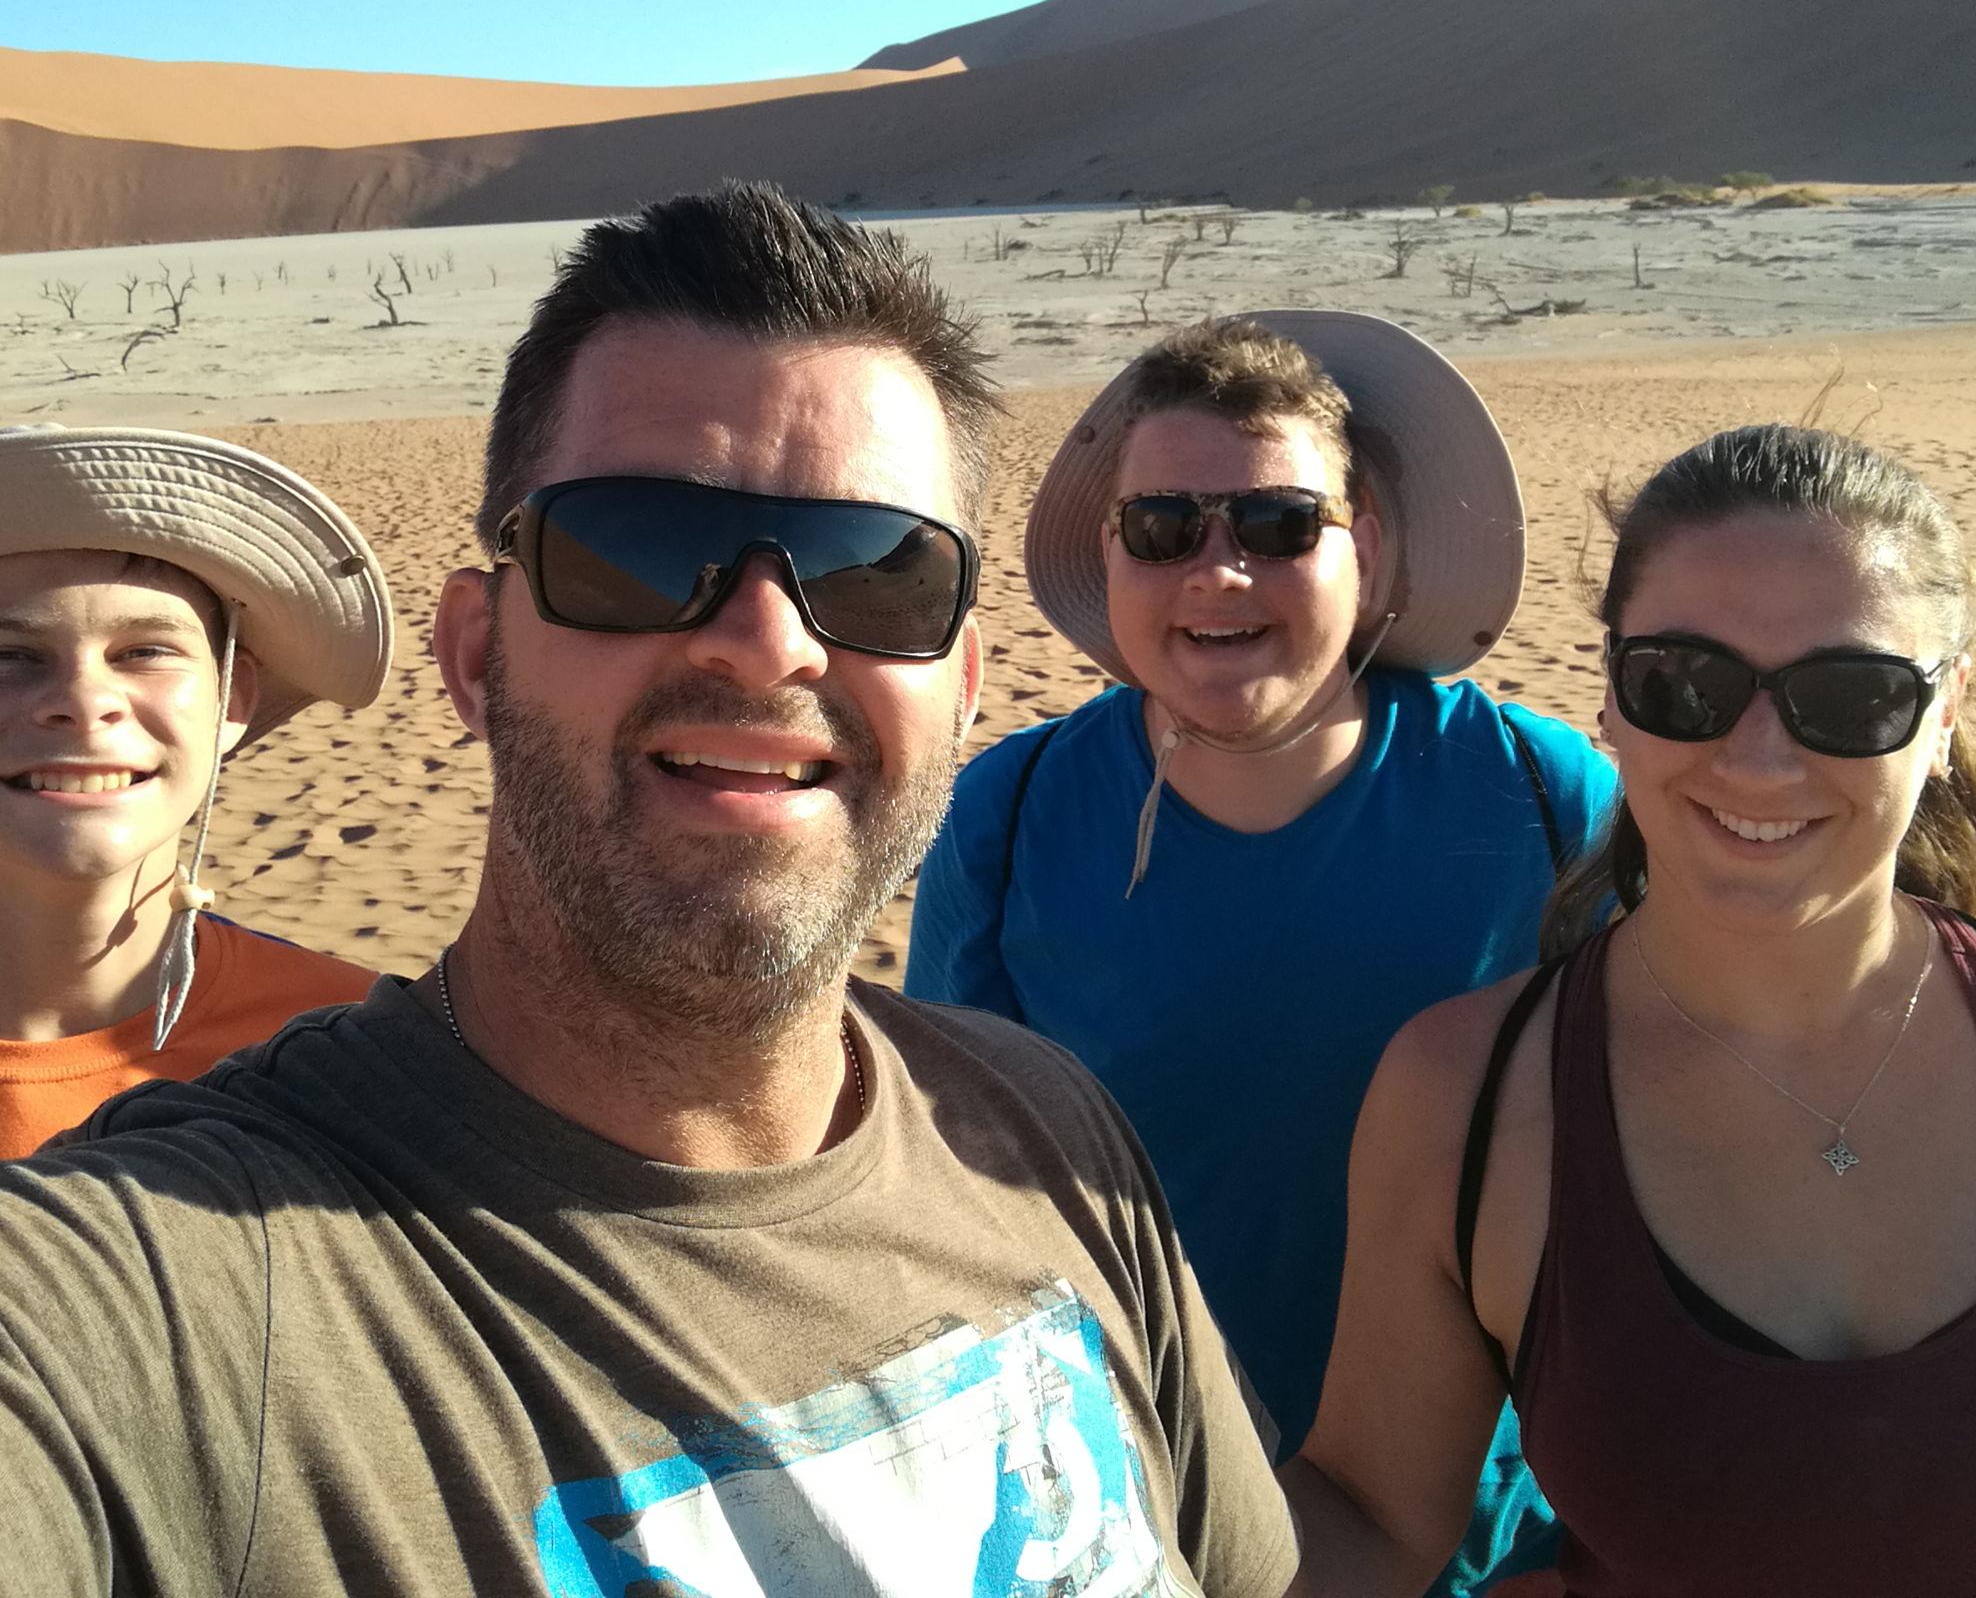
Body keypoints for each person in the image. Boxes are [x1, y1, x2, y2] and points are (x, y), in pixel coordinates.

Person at [0, 184, 1295, 1595]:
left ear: (966, 683)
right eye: (640, 547)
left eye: (878, 573)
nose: (767, 640)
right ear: (477, 654)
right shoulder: (163, 1300)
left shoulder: (1049, 1137)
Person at [907, 313, 1616, 1588]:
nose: (1216, 573)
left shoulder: (1540, 790)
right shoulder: (1010, 816)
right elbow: (951, 1198)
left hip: (1503, 1541)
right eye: (1162, 527)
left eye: (1278, 525)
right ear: (1110, 552)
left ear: (1370, 543)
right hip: (1146, 1523)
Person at [1294, 423, 1976, 1597]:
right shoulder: (1468, 1098)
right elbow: (1373, 1516)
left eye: (1846, 696)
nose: (1756, 759)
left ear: (1944, 708)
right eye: (1683, 682)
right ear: (1610, 694)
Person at [0, 424, 391, 1154]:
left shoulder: (361, 1050)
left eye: (145, 651)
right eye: (10, 654)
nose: (85, 702)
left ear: (232, 699)